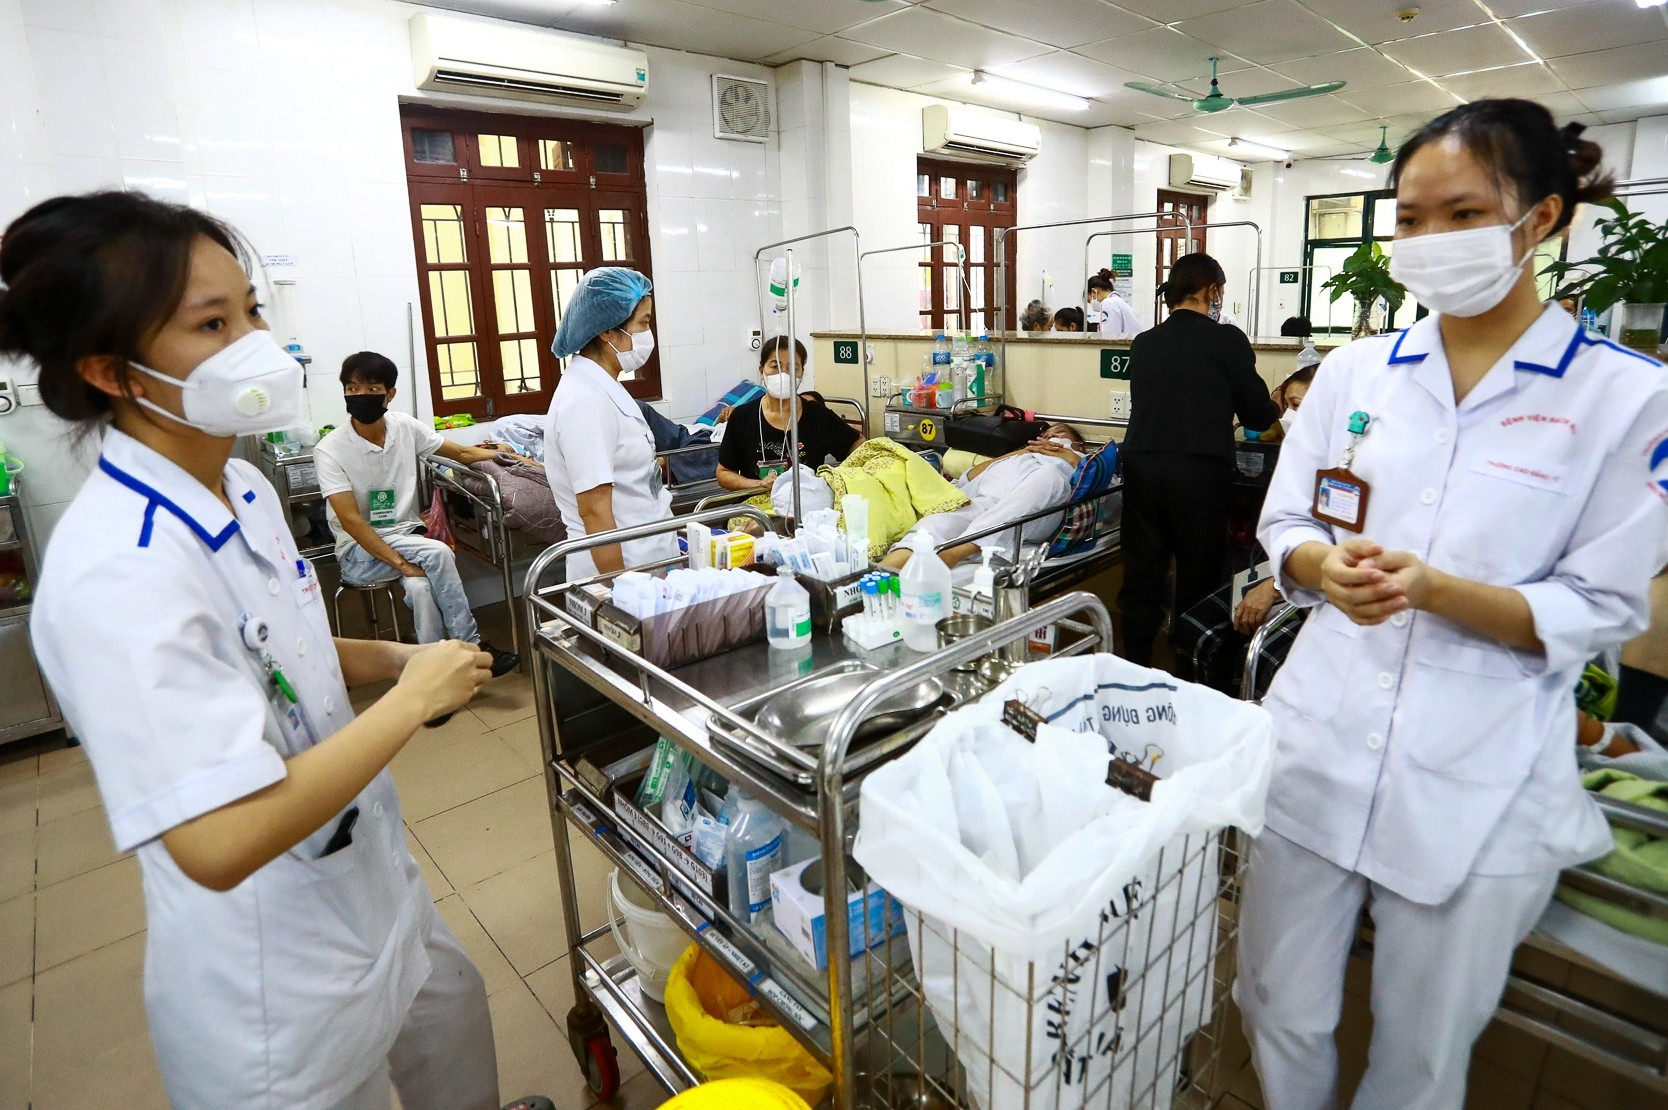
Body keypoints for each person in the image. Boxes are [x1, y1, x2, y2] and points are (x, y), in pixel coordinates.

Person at [3, 191, 553, 1110]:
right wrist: (412, 701)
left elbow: (282, 643)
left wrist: (395, 661)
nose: (256, 342)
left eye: (251, 310)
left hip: (372, 878)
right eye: (211, 323)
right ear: (111, 372)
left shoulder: (242, 485)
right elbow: (219, 840)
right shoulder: (118, 572)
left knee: (453, 1025)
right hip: (276, 969)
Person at [1238, 100, 1668, 1110]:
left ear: (1542, 218)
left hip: (1482, 770)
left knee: (1423, 1053)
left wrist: (1439, 592)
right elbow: (1287, 519)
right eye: (1409, 218)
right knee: (1275, 1001)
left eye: (1463, 214)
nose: (1429, 239)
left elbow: (1603, 605)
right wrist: (1317, 568)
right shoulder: (1355, 374)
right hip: (1319, 742)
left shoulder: (1628, 399)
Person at [1117, 252, 1280, 667]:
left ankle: (1134, 663)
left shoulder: (1144, 342)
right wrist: (1277, 405)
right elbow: (1256, 416)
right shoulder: (1226, 340)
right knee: (1199, 571)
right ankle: (1190, 667)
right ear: (1211, 291)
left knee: (1142, 570)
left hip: (1142, 465)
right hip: (1199, 472)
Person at [315, 351, 520, 676]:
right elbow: (351, 521)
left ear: (389, 394)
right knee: (437, 553)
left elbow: (460, 452)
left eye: (372, 389)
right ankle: (472, 646)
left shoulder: (405, 428)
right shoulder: (330, 450)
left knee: (422, 590)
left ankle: (434, 670)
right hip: (359, 552)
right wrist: (401, 564)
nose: (360, 396)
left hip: (406, 539)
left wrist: (501, 455)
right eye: (352, 389)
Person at [544, 266, 671, 581]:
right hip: (618, 572)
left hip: (645, 557)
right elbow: (595, 511)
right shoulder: (584, 401)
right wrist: (620, 589)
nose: (647, 334)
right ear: (607, 331)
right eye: (643, 323)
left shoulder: (603, 386)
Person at [882, 423, 1090, 569]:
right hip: (986, 502)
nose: (1048, 437)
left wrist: (1072, 457)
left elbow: (1104, 485)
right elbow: (967, 478)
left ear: (1080, 444)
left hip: (1037, 510)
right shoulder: (1019, 457)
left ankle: (957, 552)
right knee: (934, 525)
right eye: (1044, 435)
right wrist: (1022, 452)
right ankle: (882, 571)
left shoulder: (1080, 460)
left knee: (1048, 476)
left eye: (1059, 433)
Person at [716, 336, 860, 493]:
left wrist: (839, 479)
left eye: (793, 368)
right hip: (756, 502)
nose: (784, 374)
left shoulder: (818, 416)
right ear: (762, 371)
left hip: (807, 501)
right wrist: (757, 484)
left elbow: (858, 444)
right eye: (775, 366)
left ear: (801, 373)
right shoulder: (742, 417)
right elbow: (723, 473)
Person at [1086, 269, 1144, 335]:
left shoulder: (1108, 303)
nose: (1091, 304)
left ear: (1094, 292)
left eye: (1089, 300)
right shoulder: (1119, 303)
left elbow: (1109, 337)